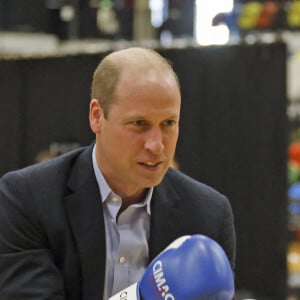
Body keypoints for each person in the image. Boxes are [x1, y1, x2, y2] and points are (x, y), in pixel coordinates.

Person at [0, 47, 236, 300]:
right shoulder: (27, 200)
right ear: (97, 116)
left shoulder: (209, 215)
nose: (156, 145)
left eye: (169, 123)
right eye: (139, 124)